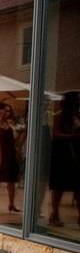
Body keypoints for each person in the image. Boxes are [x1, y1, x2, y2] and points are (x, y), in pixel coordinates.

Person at [47, 91, 79, 228]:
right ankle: (54, 214)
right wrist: (72, 136)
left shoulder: (76, 116)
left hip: (75, 155)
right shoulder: (60, 117)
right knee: (59, 187)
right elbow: (56, 134)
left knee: (77, 188)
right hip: (62, 156)